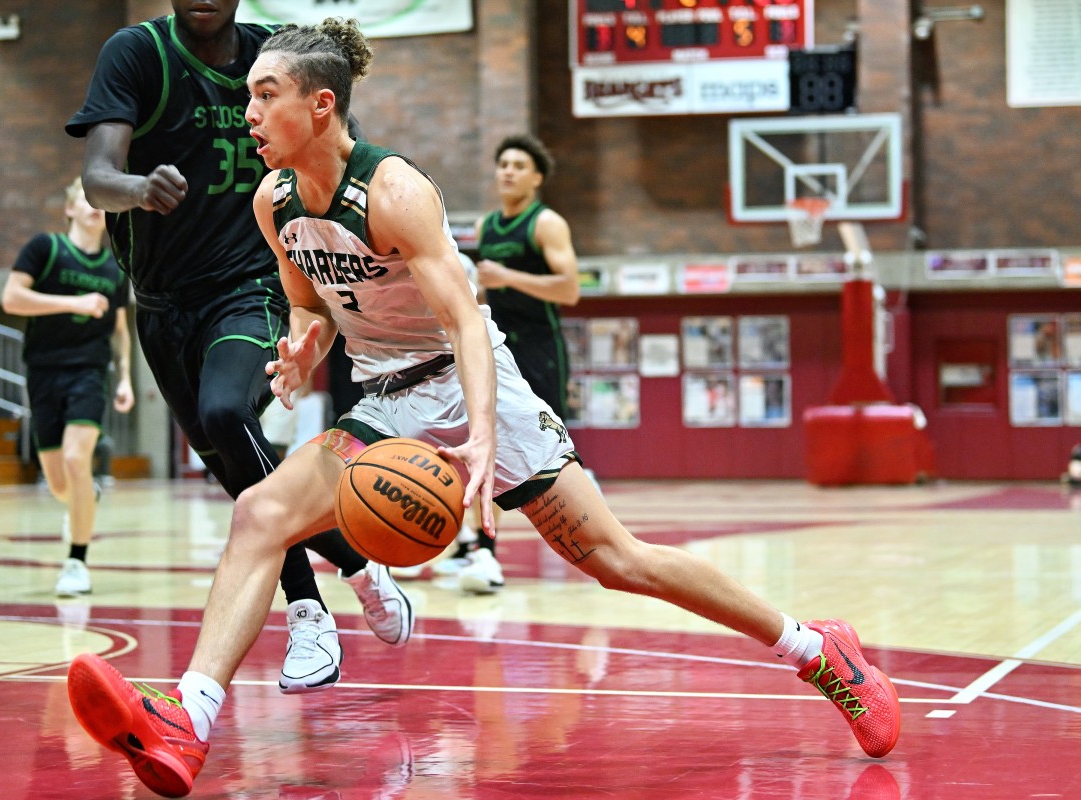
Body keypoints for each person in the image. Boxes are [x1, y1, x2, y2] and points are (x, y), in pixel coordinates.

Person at [65, 20, 901, 798]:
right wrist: (302, 348)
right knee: (258, 514)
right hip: (387, 396)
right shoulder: (274, 201)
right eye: (248, 94)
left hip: (470, 380)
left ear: (320, 103)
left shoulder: (391, 192)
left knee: (616, 558)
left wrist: (480, 436)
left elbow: (467, 320)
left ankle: (818, 650)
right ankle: (189, 719)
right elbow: (313, 304)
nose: (247, 111)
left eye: (264, 93)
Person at [64, 0, 411, 691]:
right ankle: (356, 563)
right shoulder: (137, 54)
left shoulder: (270, 55)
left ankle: (306, 610)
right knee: (228, 458)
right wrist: (137, 187)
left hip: (251, 282)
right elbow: (98, 175)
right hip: (162, 303)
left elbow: (336, 141)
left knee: (228, 413)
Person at [434, 134, 582, 594]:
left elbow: (570, 289)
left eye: (519, 165)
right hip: (499, 347)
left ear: (537, 178)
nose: (508, 171)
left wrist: (508, 277)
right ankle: (478, 549)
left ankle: (583, 535)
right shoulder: (488, 225)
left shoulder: (547, 223)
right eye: (503, 164)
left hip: (540, 347)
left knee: (546, 452)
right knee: (485, 441)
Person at [2, 177, 136, 597]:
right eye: (85, 197)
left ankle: (76, 561)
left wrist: (126, 377)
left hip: (89, 372)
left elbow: (119, 330)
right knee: (60, 483)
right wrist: (72, 303)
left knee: (79, 459)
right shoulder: (46, 249)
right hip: (43, 371)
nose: (94, 205)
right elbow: (11, 299)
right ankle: (82, 497)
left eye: (99, 200)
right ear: (71, 209)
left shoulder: (115, 269)